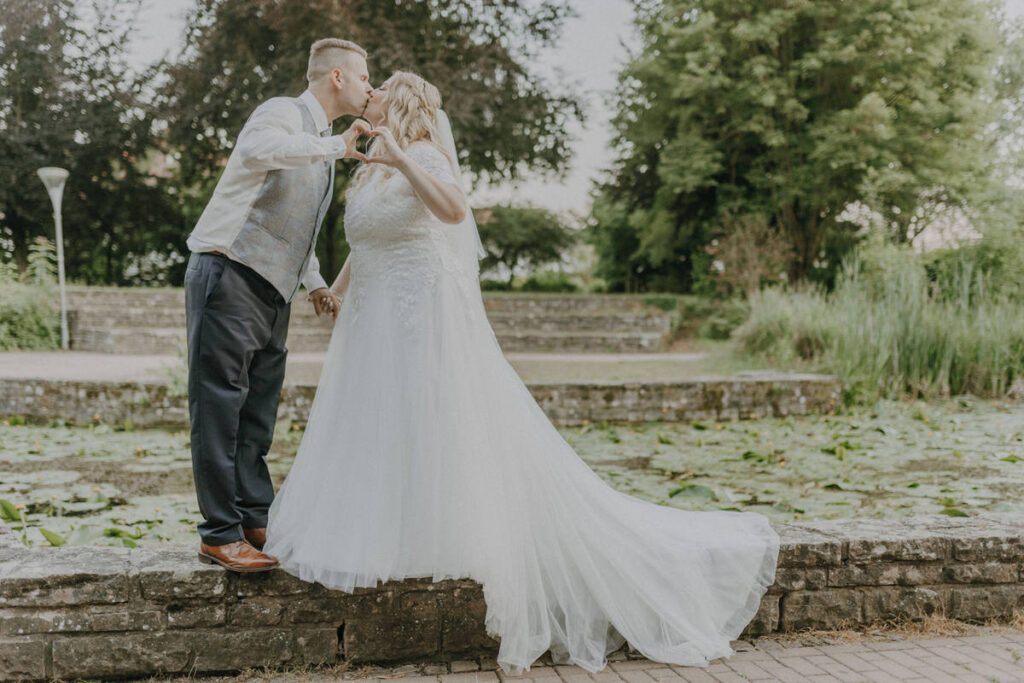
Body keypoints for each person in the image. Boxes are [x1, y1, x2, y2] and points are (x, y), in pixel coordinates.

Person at [264, 71, 780, 674]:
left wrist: (404, 158)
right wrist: (338, 289)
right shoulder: (372, 160)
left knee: (426, 416)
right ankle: (398, 536)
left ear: (400, 104)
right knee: (380, 423)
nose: (369, 93)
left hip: (416, 316)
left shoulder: (420, 153)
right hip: (370, 316)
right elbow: (371, 236)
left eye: (379, 90)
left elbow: (454, 212)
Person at [183, 38, 373, 571]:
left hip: (275, 288)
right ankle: (218, 534)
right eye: (363, 77)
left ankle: (252, 518)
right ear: (337, 77)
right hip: (229, 271)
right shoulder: (281, 114)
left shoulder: (326, 144)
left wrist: (315, 282)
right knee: (219, 404)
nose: (368, 87)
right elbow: (255, 152)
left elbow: (299, 229)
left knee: (258, 411)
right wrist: (336, 148)